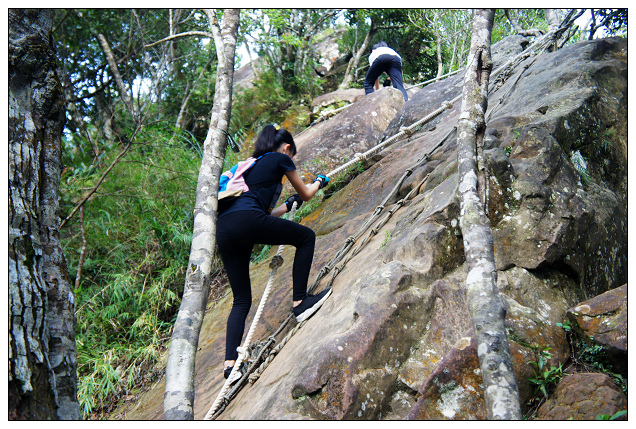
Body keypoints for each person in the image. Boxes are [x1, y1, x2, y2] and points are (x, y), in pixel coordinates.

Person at [216, 124, 332, 382]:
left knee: (241, 300)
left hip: (224, 229)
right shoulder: (280, 158)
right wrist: (319, 182)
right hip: (247, 220)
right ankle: (300, 303)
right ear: (288, 148)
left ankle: (230, 366)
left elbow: (263, 214)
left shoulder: (248, 167)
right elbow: (307, 193)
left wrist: (287, 206)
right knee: (305, 237)